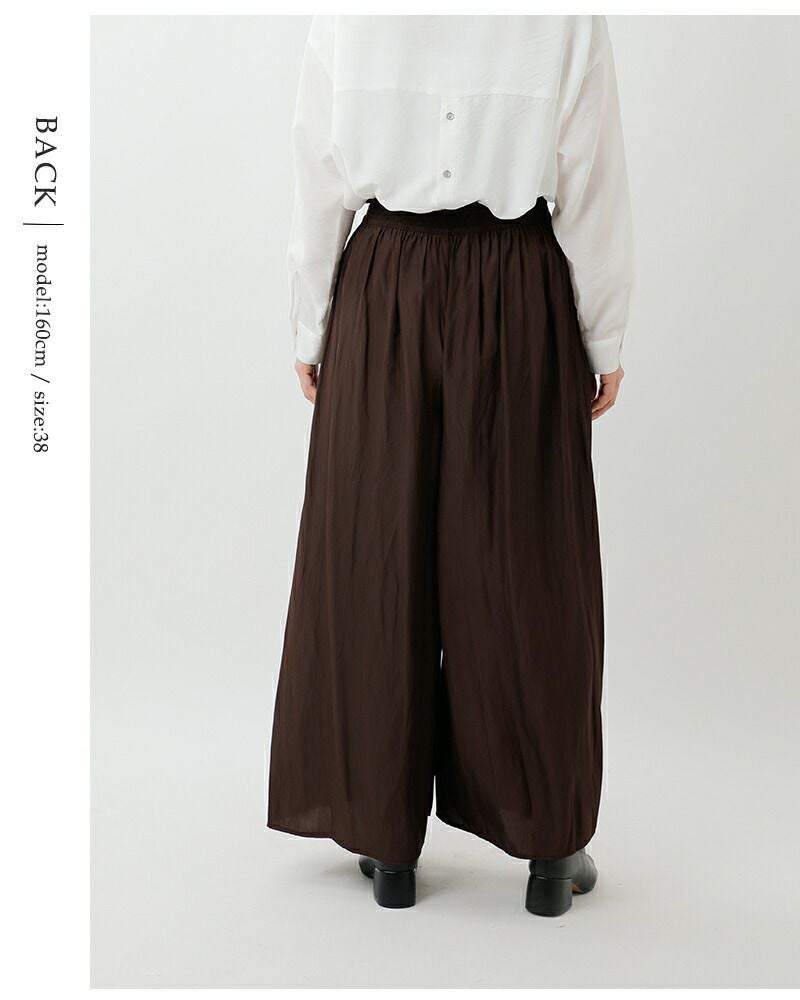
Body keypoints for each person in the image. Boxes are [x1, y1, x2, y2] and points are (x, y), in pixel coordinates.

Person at [268, 14, 633, 917]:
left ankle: (385, 837)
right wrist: (604, 334)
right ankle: (551, 848)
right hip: (517, 286)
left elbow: (320, 171)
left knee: (375, 556)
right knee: (526, 566)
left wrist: (311, 326)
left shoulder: (350, 14)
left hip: (384, 285)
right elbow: (591, 179)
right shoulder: (563, 17)